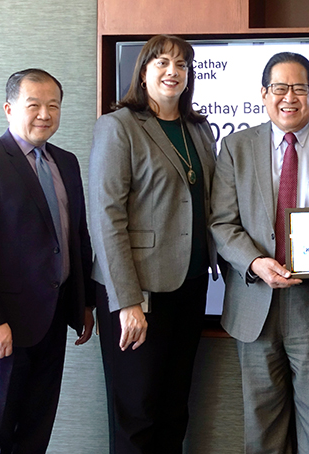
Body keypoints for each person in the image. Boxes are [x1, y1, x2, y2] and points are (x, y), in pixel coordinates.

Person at [210, 52, 309, 454]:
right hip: (255, 302)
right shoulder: (235, 147)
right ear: (263, 94)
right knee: (261, 427)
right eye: (279, 88)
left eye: (299, 87)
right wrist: (255, 262)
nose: (289, 97)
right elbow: (221, 223)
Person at [0, 68, 94, 453]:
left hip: (52, 321)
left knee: (35, 430)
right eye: (34, 105)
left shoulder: (66, 162)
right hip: (2, 327)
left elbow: (76, 237)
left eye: (53, 106)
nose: (45, 114)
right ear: (9, 109)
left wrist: (84, 304)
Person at [88, 34, 217, 453]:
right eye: (161, 62)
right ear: (143, 73)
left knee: (174, 408)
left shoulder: (199, 129)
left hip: (191, 285)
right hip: (138, 292)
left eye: (181, 64)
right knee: (137, 413)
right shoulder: (119, 126)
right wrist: (127, 302)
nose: (172, 71)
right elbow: (106, 217)